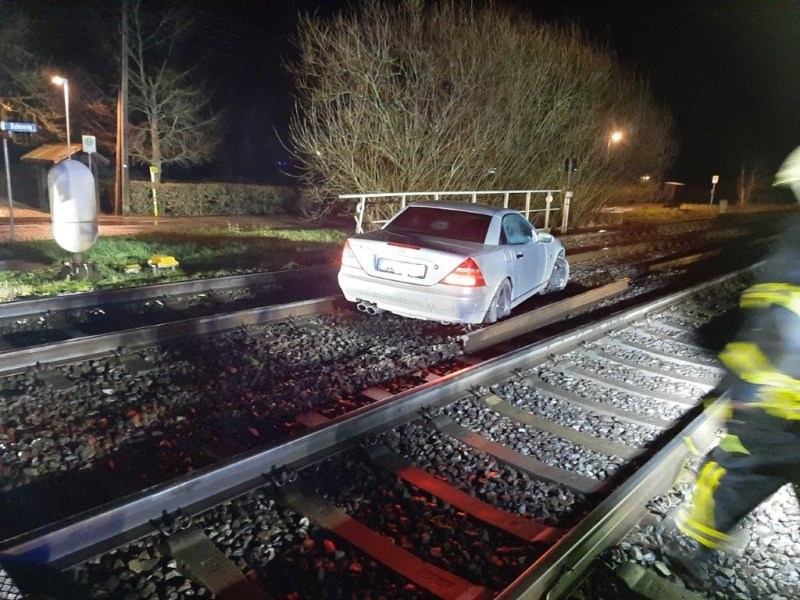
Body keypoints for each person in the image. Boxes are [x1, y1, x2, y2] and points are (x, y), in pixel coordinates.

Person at [663, 147, 800, 587]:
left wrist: (744, 385)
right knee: (755, 464)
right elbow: (775, 315)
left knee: (747, 464)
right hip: (781, 391)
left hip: (780, 393)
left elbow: (774, 316)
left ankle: (692, 541)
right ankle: (692, 540)